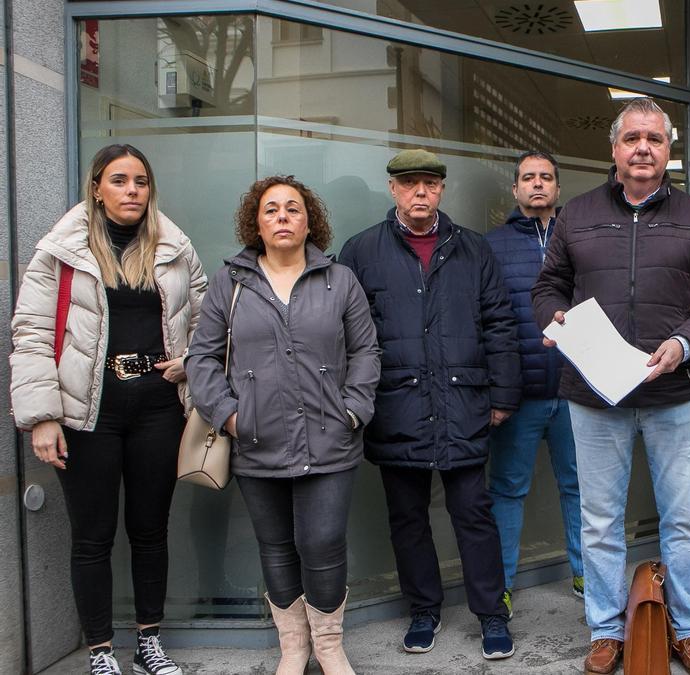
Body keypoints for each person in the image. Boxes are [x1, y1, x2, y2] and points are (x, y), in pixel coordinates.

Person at [532, 97, 690, 675]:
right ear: (614, 149)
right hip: (595, 394)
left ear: (668, 149)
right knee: (600, 520)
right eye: (632, 138)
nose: (642, 148)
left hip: (675, 394)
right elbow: (548, 287)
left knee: (684, 521)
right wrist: (556, 320)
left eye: (654, 138)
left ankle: (688, 627)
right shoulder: (576, 214)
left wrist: (684, 344)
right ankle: (605, 629)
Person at [10, 144, 206, 675]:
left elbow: (207, 321)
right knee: (92, 536)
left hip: (159, 411)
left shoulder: (175, 247)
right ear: (97, 188)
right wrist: (42, 415)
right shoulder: (61, 251)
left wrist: (189, 361)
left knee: (150, 530)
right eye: (119, 181)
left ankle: (148, 642)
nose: (132, 191)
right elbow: (30, 332)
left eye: (140, 181)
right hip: (86, 414)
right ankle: (100, 650)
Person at [186, 176, 380, 675]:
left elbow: (365, 352)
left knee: (322, 544)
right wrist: (230, 415)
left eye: (292, 209)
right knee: (275, 546)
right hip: (255, 438)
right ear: (256, 222)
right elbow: (202, 357)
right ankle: (293, 648)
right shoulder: (230, 282)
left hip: (330, 437)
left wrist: (354, 408)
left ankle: (329, 646)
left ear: (309, 220)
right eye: (271, 210)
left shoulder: (341, 280)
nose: (282, 217)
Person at [339, 149, 520, 660]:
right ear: (393, 189)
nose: (420, 192)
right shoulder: (361, 251)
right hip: (395, 405)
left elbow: (500, 324)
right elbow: (345, 334)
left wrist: (503, 395)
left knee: (474, 515)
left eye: (430, 184)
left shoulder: (473, 250)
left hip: (463, 402)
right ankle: (424, 610)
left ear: (442, 190)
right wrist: (358, 400)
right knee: (408, 519)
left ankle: (492, 614)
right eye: (409, 183)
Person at [485, 151, 584, 608]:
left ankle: (588, 578)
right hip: (520, 396)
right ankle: (500, 586)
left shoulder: (579, 239)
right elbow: (487, 320)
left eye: (546, 177)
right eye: (529, 178)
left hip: (576, 391)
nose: (538, 184)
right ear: (516, 189)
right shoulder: (492, 246)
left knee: (582, 490)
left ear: (558, 189)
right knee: (507, 491)